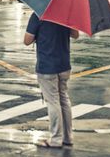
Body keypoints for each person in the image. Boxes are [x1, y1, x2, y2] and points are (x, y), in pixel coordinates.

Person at [24, 12, 79, 148]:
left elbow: (27, 40)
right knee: (64, 99)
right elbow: (75, 34)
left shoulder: (38, 15)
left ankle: (56, 139)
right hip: (64, 64)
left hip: (47, 66)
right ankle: (68, 137)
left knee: (53, 101)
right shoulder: (66, 13)